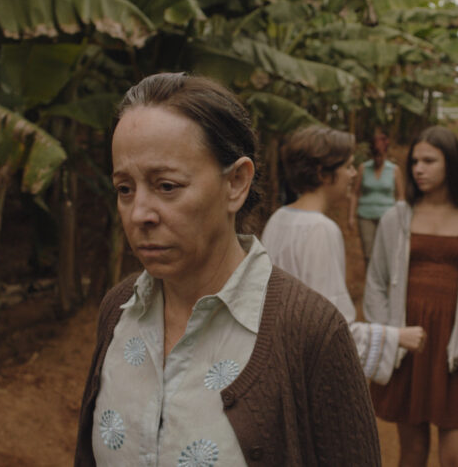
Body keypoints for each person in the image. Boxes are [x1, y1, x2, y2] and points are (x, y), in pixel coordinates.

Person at [74, 73, 381, 466]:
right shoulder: (118, 311)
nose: (139, 214)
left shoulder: (311, 332)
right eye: (124, 189)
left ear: (236, 182)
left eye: (167, 186)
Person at [365, 126, 458, 467]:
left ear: (451, 163)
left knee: (457, 459)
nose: (418, 169)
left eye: (429, 161)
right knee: (412, 454)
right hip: (411, 348)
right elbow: (377, 282)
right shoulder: (396, 218)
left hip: (455, 349)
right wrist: (391, 334)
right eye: (414, 162)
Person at [262, 126, 425, 385]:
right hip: (305, 371)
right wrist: (397, 337)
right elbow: (329, 325)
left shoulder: (278, 219)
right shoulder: (321, 229)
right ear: (322, 174)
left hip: (277, 361)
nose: (353, 174)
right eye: (348, 166)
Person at [348, 128, 404, 265]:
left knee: (387, 253)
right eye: (375, 155)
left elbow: (401, 197)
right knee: (369, 253)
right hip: (365, 215)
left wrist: (401, 218)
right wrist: (351, 216)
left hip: (387, 216)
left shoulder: (394, 170)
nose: (378, 159)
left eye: (380, 155)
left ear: (386, 153)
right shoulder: (364, 168)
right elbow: (355, 193)